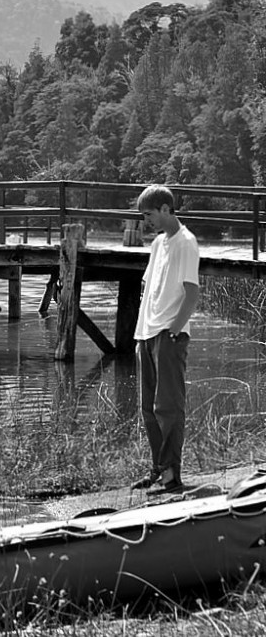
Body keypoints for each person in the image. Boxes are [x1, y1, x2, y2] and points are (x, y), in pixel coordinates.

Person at [132, 185, 200, 494]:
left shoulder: (186, 242)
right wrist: (140, 333)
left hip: (169, 335)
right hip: (146, 333)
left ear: (165, 209)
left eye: (149, 214)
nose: (146, 221)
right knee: (148, 408)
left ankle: (172, 475)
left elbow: (192, 292)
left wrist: (174, 329)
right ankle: (158, 469)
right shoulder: (159, 243)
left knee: (168, 407)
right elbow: (148, 289)